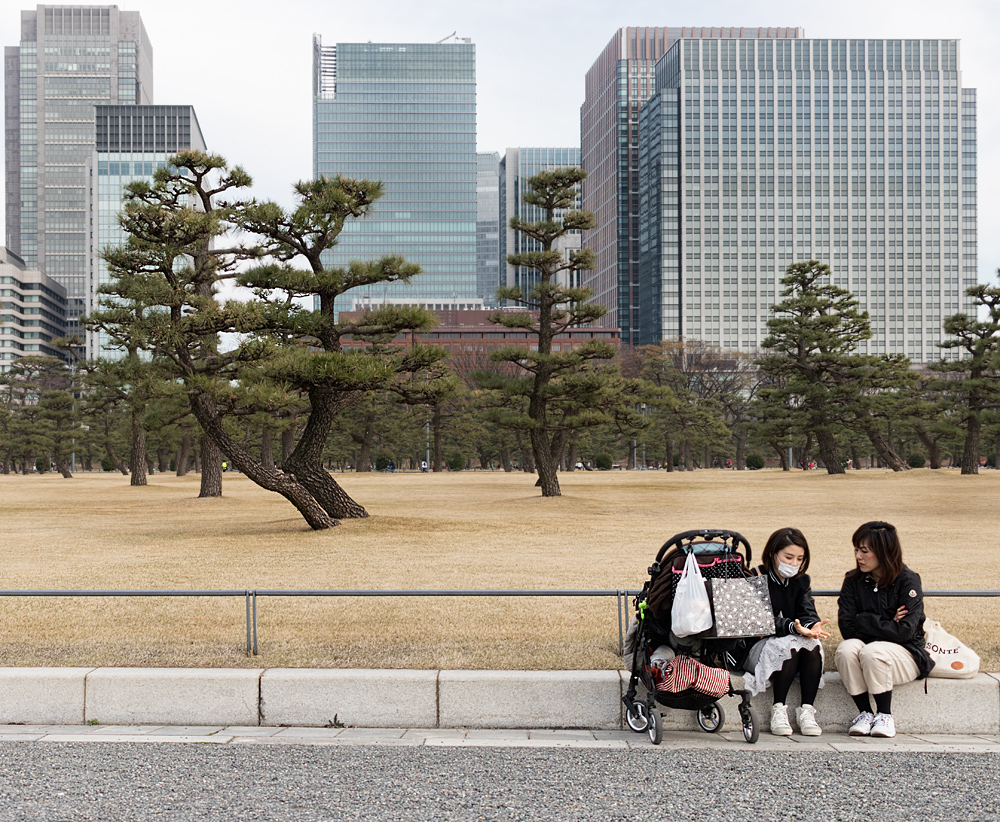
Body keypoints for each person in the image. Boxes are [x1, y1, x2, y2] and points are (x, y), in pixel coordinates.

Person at [835, 521, 932, 739]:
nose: (858, 556)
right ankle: (865, 713)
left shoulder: (908, 581)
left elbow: (905, 631)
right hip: (867, 653)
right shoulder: (853, 580)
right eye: (856, 550)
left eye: (865, 551)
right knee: (846, 648)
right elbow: (847, 628)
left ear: (884, 552)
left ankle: (885, 715)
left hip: (907, 654)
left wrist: (864, 620)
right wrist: (887, 621)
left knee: (873, 651)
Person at [741, 527, 831, 736]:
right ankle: (778, 708)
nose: (793, 564)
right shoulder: (756, 577)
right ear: (773, 554)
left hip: (790, 641)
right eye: (788, 557)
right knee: (788, 645)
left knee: (812, 644)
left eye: (799, 558)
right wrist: (793, 627)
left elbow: (807, 611)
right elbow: (760, 621)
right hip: (756, 645)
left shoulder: (801, 581)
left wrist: (810, 627)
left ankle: (807, 710)